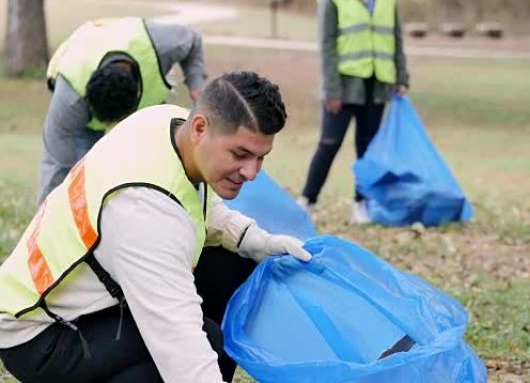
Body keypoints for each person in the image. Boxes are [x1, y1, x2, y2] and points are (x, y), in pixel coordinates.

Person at [0, 71, 312, 383]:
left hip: (87, 300)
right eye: (240, 154)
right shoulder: (144, 214)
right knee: (203, 347)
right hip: (38, 335)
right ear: (201, 128)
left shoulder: (170, 123)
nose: (252, 172)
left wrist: (254, 239)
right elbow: (181, 346)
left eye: (261, 157)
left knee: (234, 264)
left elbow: (193, 203)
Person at [38, 16, 208, 204]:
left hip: (147, 101)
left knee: (162, 160)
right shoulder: (71, 99)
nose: (109, 127)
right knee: (81, 179)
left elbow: (194, 42)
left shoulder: (161, 44)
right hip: (81, 100)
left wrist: (196, 86)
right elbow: (56, 166)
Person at [298, 0, 410, 223]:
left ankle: (361, 204)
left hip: (377, 84)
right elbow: (327, 44)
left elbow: (396, 40)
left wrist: (401, 76)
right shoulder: (333, 1)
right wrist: (331, 90)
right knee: (329, 144)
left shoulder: (388, 2)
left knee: (367, 149)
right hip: (343, 85)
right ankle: (307, 201)